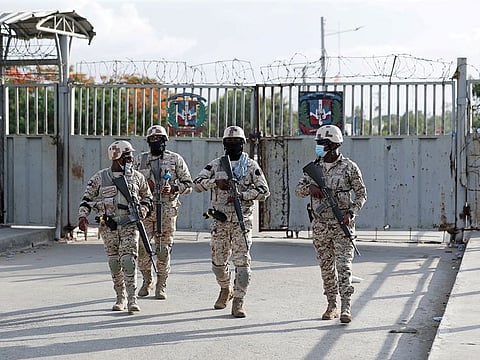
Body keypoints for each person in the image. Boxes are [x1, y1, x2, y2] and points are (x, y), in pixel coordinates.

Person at [193, 125, 270, 318]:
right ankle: (225, 288)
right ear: (224, 144)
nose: (233, 145)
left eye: (237, 142)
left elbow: (264, 191)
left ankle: (238, 300)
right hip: (220, 221)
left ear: (243, 144)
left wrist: (243, 195)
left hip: (241, 222)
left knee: (242, 264)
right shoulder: (216, 164)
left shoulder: (251, 166)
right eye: (229, 142)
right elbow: (196, 183)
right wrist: (214, 183)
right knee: (218, 263)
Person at [295, 124, 367, 323]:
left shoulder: (349, 167)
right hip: (321, 226)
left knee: (344, 266)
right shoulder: (313, 168)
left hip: (342, 224)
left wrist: (351, 212)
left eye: (323, 144)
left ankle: (346, 306)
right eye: (318, 143)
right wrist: (312, 188)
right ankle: (332, 304)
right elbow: (298, 190)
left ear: (335, 145)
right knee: (326, 268)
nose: (320, 147)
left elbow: (361, 194)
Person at [78, 140, 153, 314]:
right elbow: (86, 199)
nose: (131, 159)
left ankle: (132, 298)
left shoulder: (137, 177)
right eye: (127, 156)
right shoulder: (101, 177)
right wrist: (82, 216)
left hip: (129, 225)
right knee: (114, 263)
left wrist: (143, 209)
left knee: (128, 260)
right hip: (108, 226)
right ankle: (120, 297)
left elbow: (147, 198)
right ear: (117, 157)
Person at [134, 125, 193, 300]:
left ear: (165, 141)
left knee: (163, 249)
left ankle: (161, 283)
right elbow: (129, 184)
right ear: (148, 142)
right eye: (152, 140)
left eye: (159, 139)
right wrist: (144, 186)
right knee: (142, 248)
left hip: (167, 211)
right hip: (146, 211)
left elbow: (189, 185)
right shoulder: (139, 161)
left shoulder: (175, 160)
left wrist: (174, 188)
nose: (155, 142)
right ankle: (147, 279)